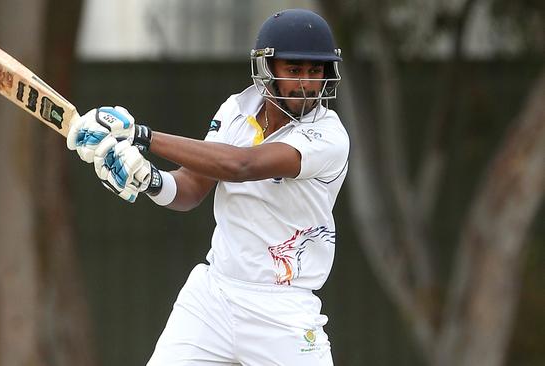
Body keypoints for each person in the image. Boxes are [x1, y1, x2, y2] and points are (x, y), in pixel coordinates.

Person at [67, 8, 349, 366]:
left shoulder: (328, 135)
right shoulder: (236, 109)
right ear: (267, 70)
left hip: (282, 310)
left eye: (315, 71)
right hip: (213, 296)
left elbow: (240, 165)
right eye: (294, 70)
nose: (307, 84)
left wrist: (141, 136)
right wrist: (149, 180)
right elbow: (191, 188)